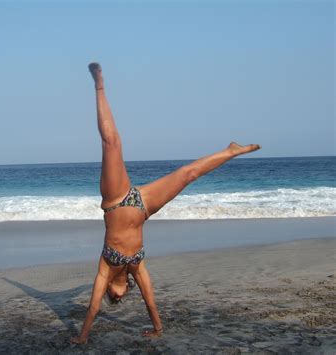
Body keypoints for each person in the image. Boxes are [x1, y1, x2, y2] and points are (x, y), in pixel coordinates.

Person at [70, 63, 260, 344]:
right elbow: (150, 300)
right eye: (117, 300)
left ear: (111, 289)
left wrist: (83, 336)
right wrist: (157, 328)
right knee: (187, 174)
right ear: (123, 290)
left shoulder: (106, 270)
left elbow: (93, 305)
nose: (115, 299)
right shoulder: (136, 267)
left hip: (116, 200)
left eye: (114, 298)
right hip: (142, 206)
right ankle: (230, 151)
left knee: (112, 143)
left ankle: (99, 85)